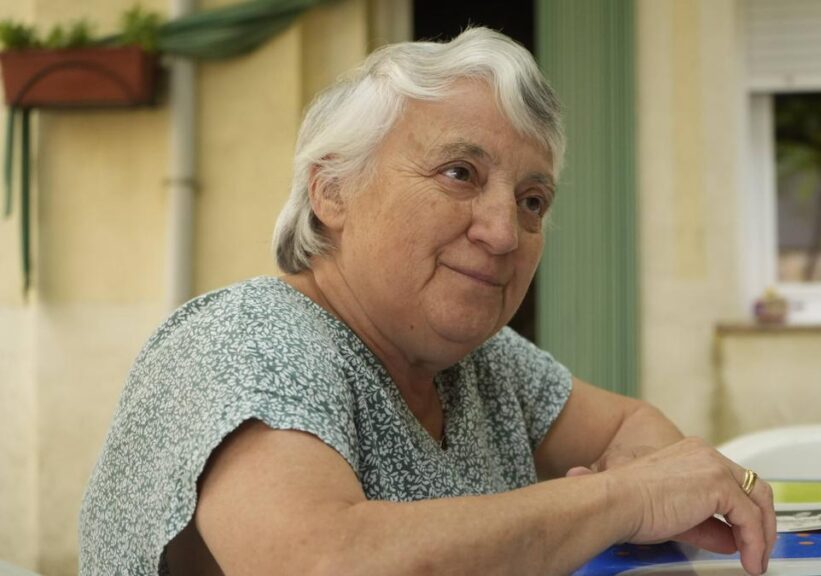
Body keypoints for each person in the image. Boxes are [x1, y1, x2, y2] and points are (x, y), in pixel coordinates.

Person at [79, 27, 775, 576]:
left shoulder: (481, 362)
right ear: (333, 191)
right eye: (459, 173)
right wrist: (625, 499)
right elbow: (320, 562)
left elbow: (631, 425)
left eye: (532, 201)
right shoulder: (248, 338)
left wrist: (645, 480)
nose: (505, 232)